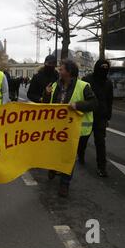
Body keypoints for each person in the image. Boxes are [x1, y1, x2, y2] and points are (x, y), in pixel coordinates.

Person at [43, 60, 97, 198]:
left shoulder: (84, 86)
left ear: (69, 72)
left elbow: (94, 103)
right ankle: (54, 167)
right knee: (55, 152)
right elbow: (47, 106)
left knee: (69, 156)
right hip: (56, 128)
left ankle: (64, 184)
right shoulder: (54, 85)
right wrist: (47, 94)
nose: (59, 71)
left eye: (61, 69)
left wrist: (78, 105)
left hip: (73, 129)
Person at [78, 60, 113, 177]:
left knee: (100, 142)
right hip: (88, 115)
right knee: (83, 139)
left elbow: (109, 100)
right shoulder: (87, 80)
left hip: (101, 116)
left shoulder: (108, 83)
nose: (104, 70)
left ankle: (102, 167)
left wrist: (108, 116)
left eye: (106, 68)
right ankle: (80, 153)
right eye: (102, 67)